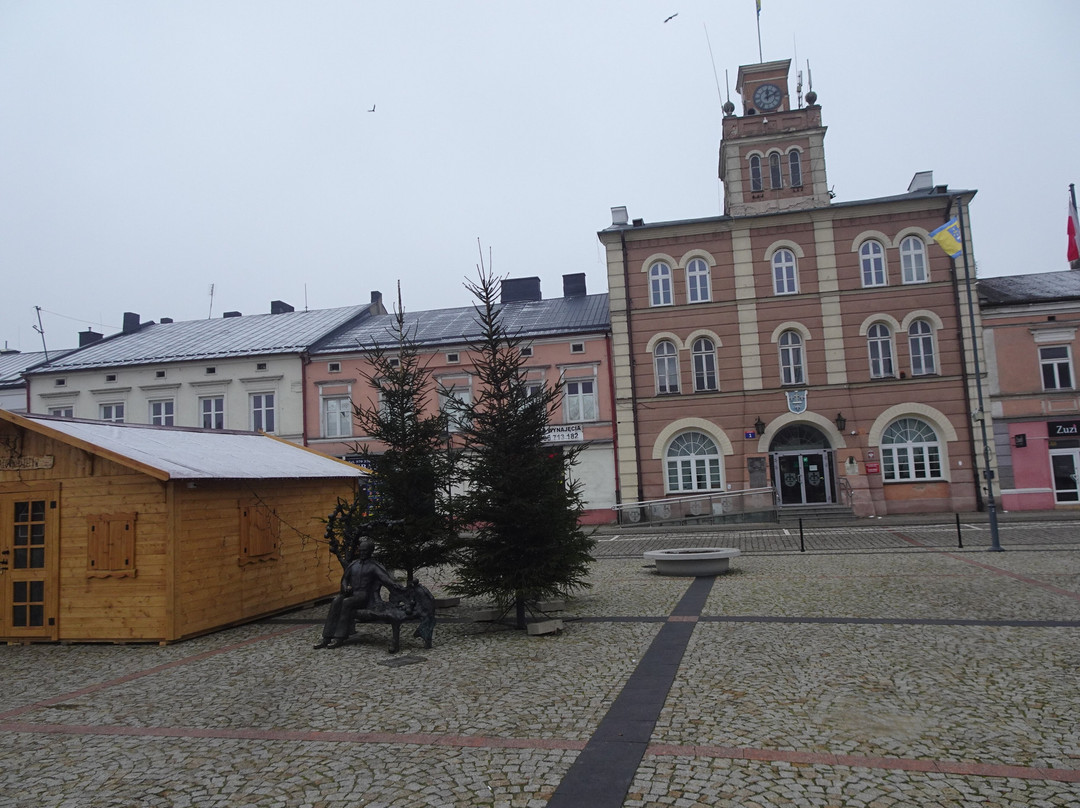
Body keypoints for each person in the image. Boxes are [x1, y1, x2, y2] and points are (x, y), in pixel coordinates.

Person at [314, 536, 406, 649]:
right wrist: (345, 586)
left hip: (364, 596)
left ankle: (339, 637)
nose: (362, 553)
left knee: (346, 603)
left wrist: (396, 585)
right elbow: (345, 579)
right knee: (336, 600)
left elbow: (385, 579)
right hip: (352, 593)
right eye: (361, 550)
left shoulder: (373, 566)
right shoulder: (354, 564)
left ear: (370, 551)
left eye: (365, 551)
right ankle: (327, 637)